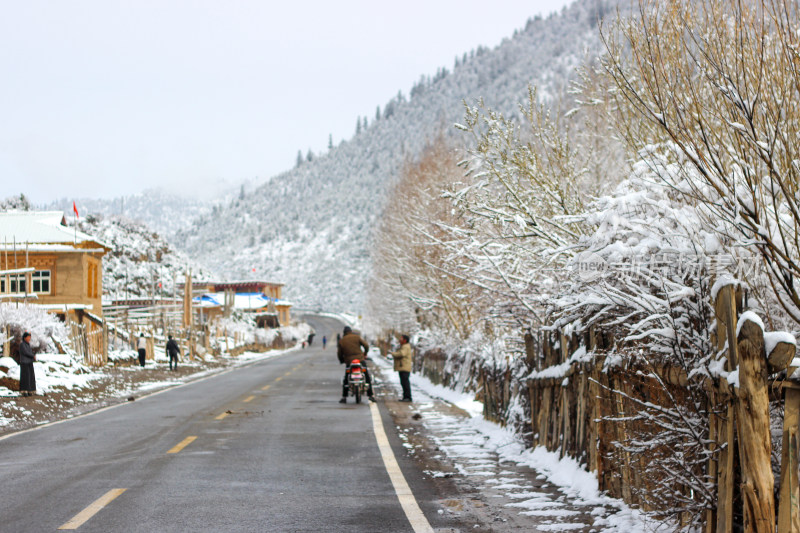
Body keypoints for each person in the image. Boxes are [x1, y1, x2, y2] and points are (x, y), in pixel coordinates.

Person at [337, 326, 374, 403]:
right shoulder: (357, 337)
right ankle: (370, 395)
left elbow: (339, 353)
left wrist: (342, 360)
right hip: (360, 359)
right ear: (351, 331)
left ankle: (344, 397)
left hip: (349, 361)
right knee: (366, 376)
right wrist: (365, 353)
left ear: (344, 333)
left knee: (347, 378)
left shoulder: (342, 341)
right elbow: (366, 345)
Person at [392, 334, 414, 402]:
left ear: (405, 340)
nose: (400, 340)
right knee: (403, 382)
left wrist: (393, 354)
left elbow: (401, 354)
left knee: (405, 382)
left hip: (404, 367)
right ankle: (406, 396)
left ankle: (407, 397)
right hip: (403, 367)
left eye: (401, 339)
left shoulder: (405, 346)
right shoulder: (404, 346)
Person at [18, 332, 36, 397]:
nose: (29, 338)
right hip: (24, 363)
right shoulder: (22, 344)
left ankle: (30, 390)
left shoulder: (28, 344)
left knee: (30, 377)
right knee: (25, 377)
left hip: (29, 362)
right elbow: (25, 352)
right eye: (28, 337)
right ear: (25, 337)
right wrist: (32, 356)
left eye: (30, 337)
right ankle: (24, 390)